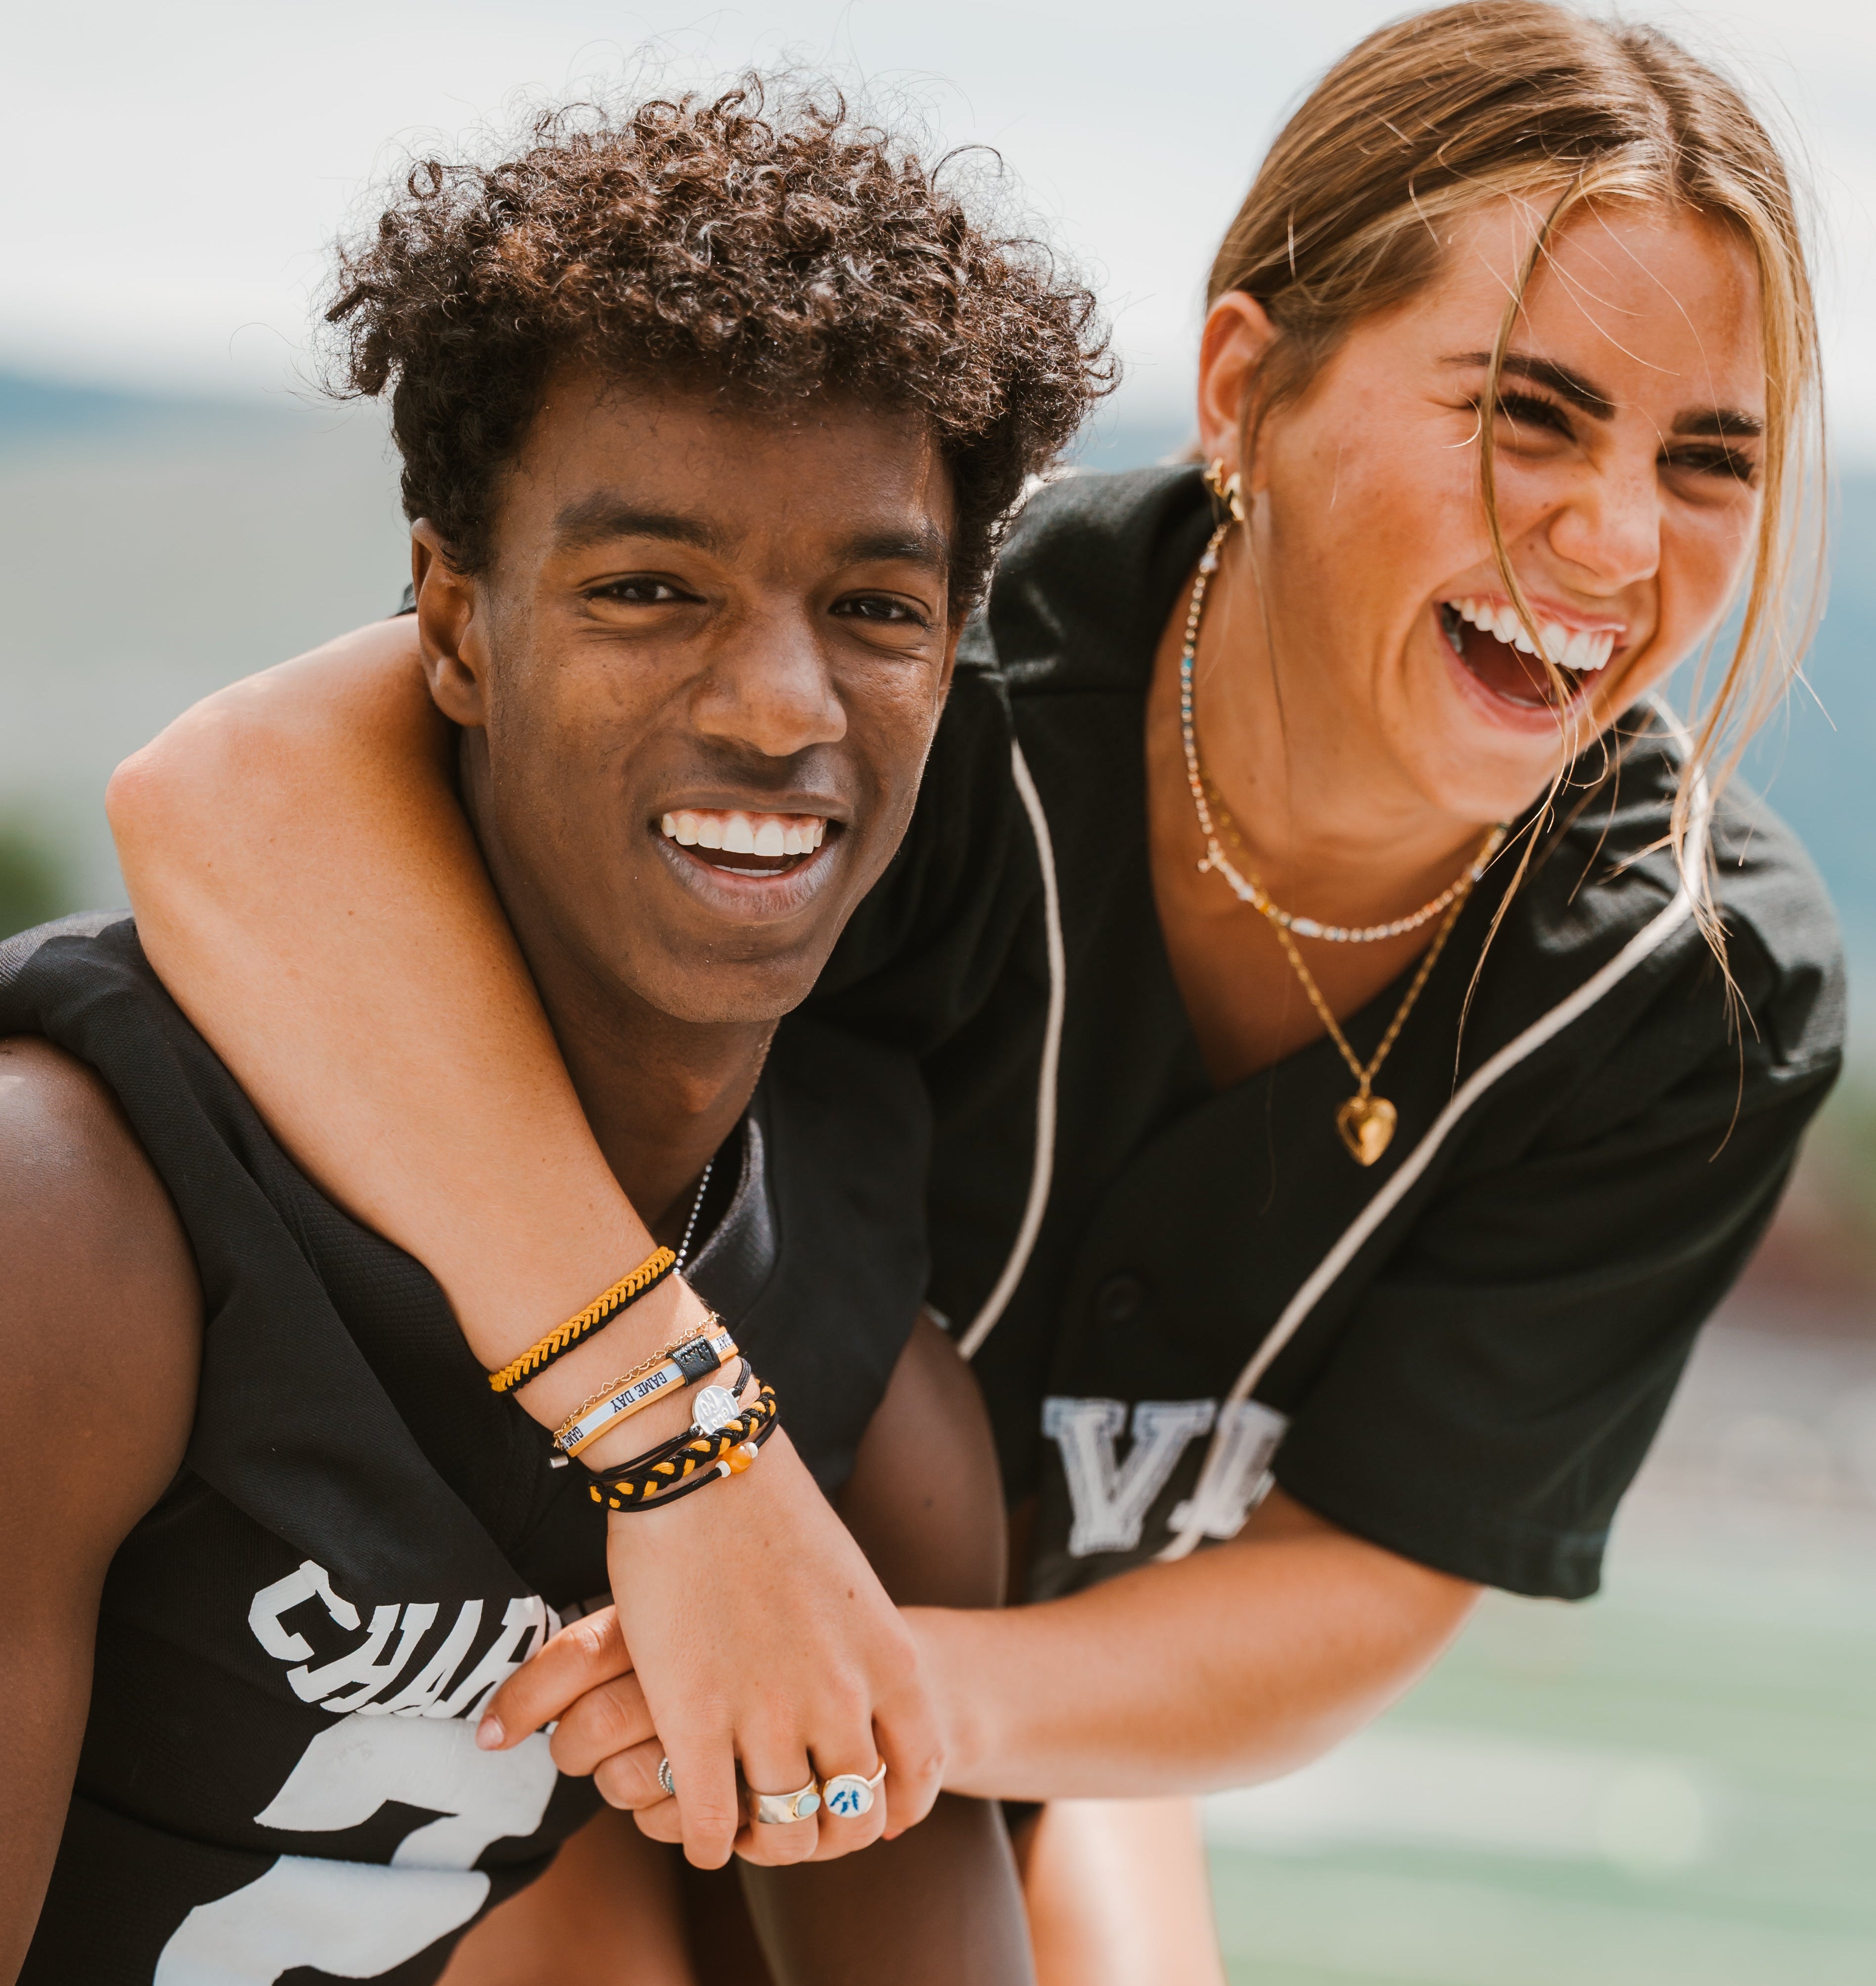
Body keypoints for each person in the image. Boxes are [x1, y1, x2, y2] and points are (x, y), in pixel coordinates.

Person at [110, 3, 1846, 1979]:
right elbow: (221, 796)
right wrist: (688, 1457)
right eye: (1523, 415)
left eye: (1709, 460)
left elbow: (1357, 1584)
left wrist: (884, 1685)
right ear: (1241, 386)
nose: (1614, 539)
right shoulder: (902, 668)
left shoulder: (1691, 985)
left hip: (987, 1703)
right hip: (516, 1643)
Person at [0, 80, 1110, 1984]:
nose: (783, 707)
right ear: (454, 629)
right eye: (648, 590)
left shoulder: (863, 1411)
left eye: (877, 607)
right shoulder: (31, 1221)